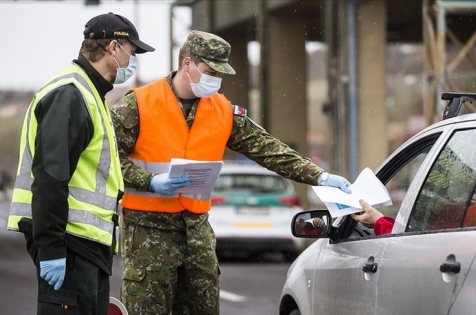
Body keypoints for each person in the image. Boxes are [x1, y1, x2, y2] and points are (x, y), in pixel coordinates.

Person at [110, 30, 352, 315]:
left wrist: (319, 176)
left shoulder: (222, 111)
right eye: (210, 71)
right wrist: (149, 181)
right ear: (187, 63)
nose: (215, 79)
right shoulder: (136, 104)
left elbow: (268, 149)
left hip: (197, 233)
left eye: (220, 73)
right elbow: (107, 160)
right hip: (149, 234)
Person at [7, 12, 154, 315]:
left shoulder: (89, 93)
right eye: (133, 52)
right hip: (71, 246)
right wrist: (51, 248)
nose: (134, 60)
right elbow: (50, 177)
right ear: (114, 47)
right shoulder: (71, 95)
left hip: (84, 246)